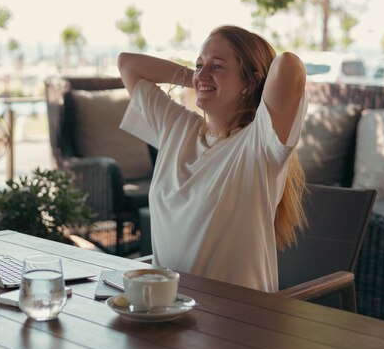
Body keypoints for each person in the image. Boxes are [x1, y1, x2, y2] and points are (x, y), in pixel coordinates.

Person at [117, 25, 307, 292]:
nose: (202, 73)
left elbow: (289, 65)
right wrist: (199, 77)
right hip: (164, 308)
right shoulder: (177, 128)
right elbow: (127, 63)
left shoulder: (260, 142)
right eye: (199, 64)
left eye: (217, 66)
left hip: (236, 317)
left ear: (251, 82)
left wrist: (210, 78)